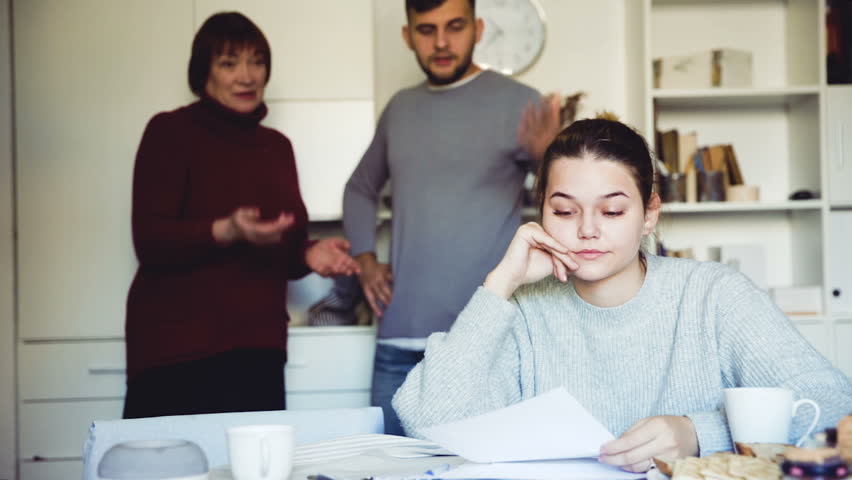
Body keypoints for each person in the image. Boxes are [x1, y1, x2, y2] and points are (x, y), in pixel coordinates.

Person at [392, 117, 852, 471]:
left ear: (649, 215)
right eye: (565, 210)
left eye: (612, 211)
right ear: (542, 216)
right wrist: (500, 285)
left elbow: (831, 404)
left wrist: (698, 432)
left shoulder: (713, 295)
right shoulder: (523, 311)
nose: (587, 230)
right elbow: (429, 422)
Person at [123, 12, 359, 418]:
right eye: (229, 63)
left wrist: (307, 255)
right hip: (176, 351)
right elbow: (149, 240)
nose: (247, 76)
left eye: (257, 61)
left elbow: (281, 250)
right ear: (203, 73)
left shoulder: (277, 147)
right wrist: (225, 230)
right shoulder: (169, 132)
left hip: (257, 348)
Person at [342, 0, 561, 436]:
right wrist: (365, 261)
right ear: (408, 36)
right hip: (399, 344)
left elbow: (565, 203)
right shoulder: (400, 109)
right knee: (390, 470)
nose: (441, 42)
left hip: (485, 344)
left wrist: (548, 158)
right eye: (426, 30)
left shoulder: (523, 105)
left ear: (478, 29)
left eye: (454, 26)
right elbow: (359, 189)